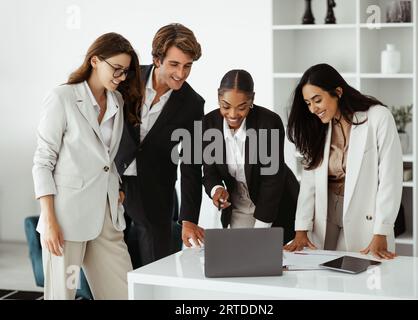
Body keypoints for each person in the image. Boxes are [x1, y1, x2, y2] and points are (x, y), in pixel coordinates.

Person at [32, 32, 144, 299]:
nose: (120, 77)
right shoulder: (63, 98)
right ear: (95, 60)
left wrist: (116, 188)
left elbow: (108, 159)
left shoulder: (116, 101)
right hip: (66, 218)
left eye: (125, 72)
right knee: (62, 295)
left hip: (106, 217)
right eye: (116, 69)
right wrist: (48, 219)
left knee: (124, 293)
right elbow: (42, 161)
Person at [283, 63, 403, 259]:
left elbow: (390, 179)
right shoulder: (318, 126)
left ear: (338, 92)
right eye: (308, 103)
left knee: (365, 280)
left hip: (364, 216)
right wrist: (301, 229)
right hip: (326, 214)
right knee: (323, 278)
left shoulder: (378, 117)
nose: (313, 109)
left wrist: (382, 231)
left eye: (317, 100)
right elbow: (309, 182)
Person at [115, 23, 204, 267]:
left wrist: (188, 218)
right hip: (112, 182)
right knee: (109, 267)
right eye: (174, 64)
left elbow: (192, 163)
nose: (182, 74)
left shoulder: (193, 104)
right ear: (157, 59)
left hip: (156, 193)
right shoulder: (126, 79)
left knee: (157, 269)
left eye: (188, 66)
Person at [182, 69, 299, 246]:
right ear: (218, 98)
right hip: (238, 202)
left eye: (242, 107)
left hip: (275, 202)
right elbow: (208, 171)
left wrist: (260, 234)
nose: (233, 114)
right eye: (226, 106)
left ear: (252, 100)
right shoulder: (206, 125)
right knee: (240, 256)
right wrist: (216, 189)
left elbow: (272, 180)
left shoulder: (269, 123)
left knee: (271, 258)